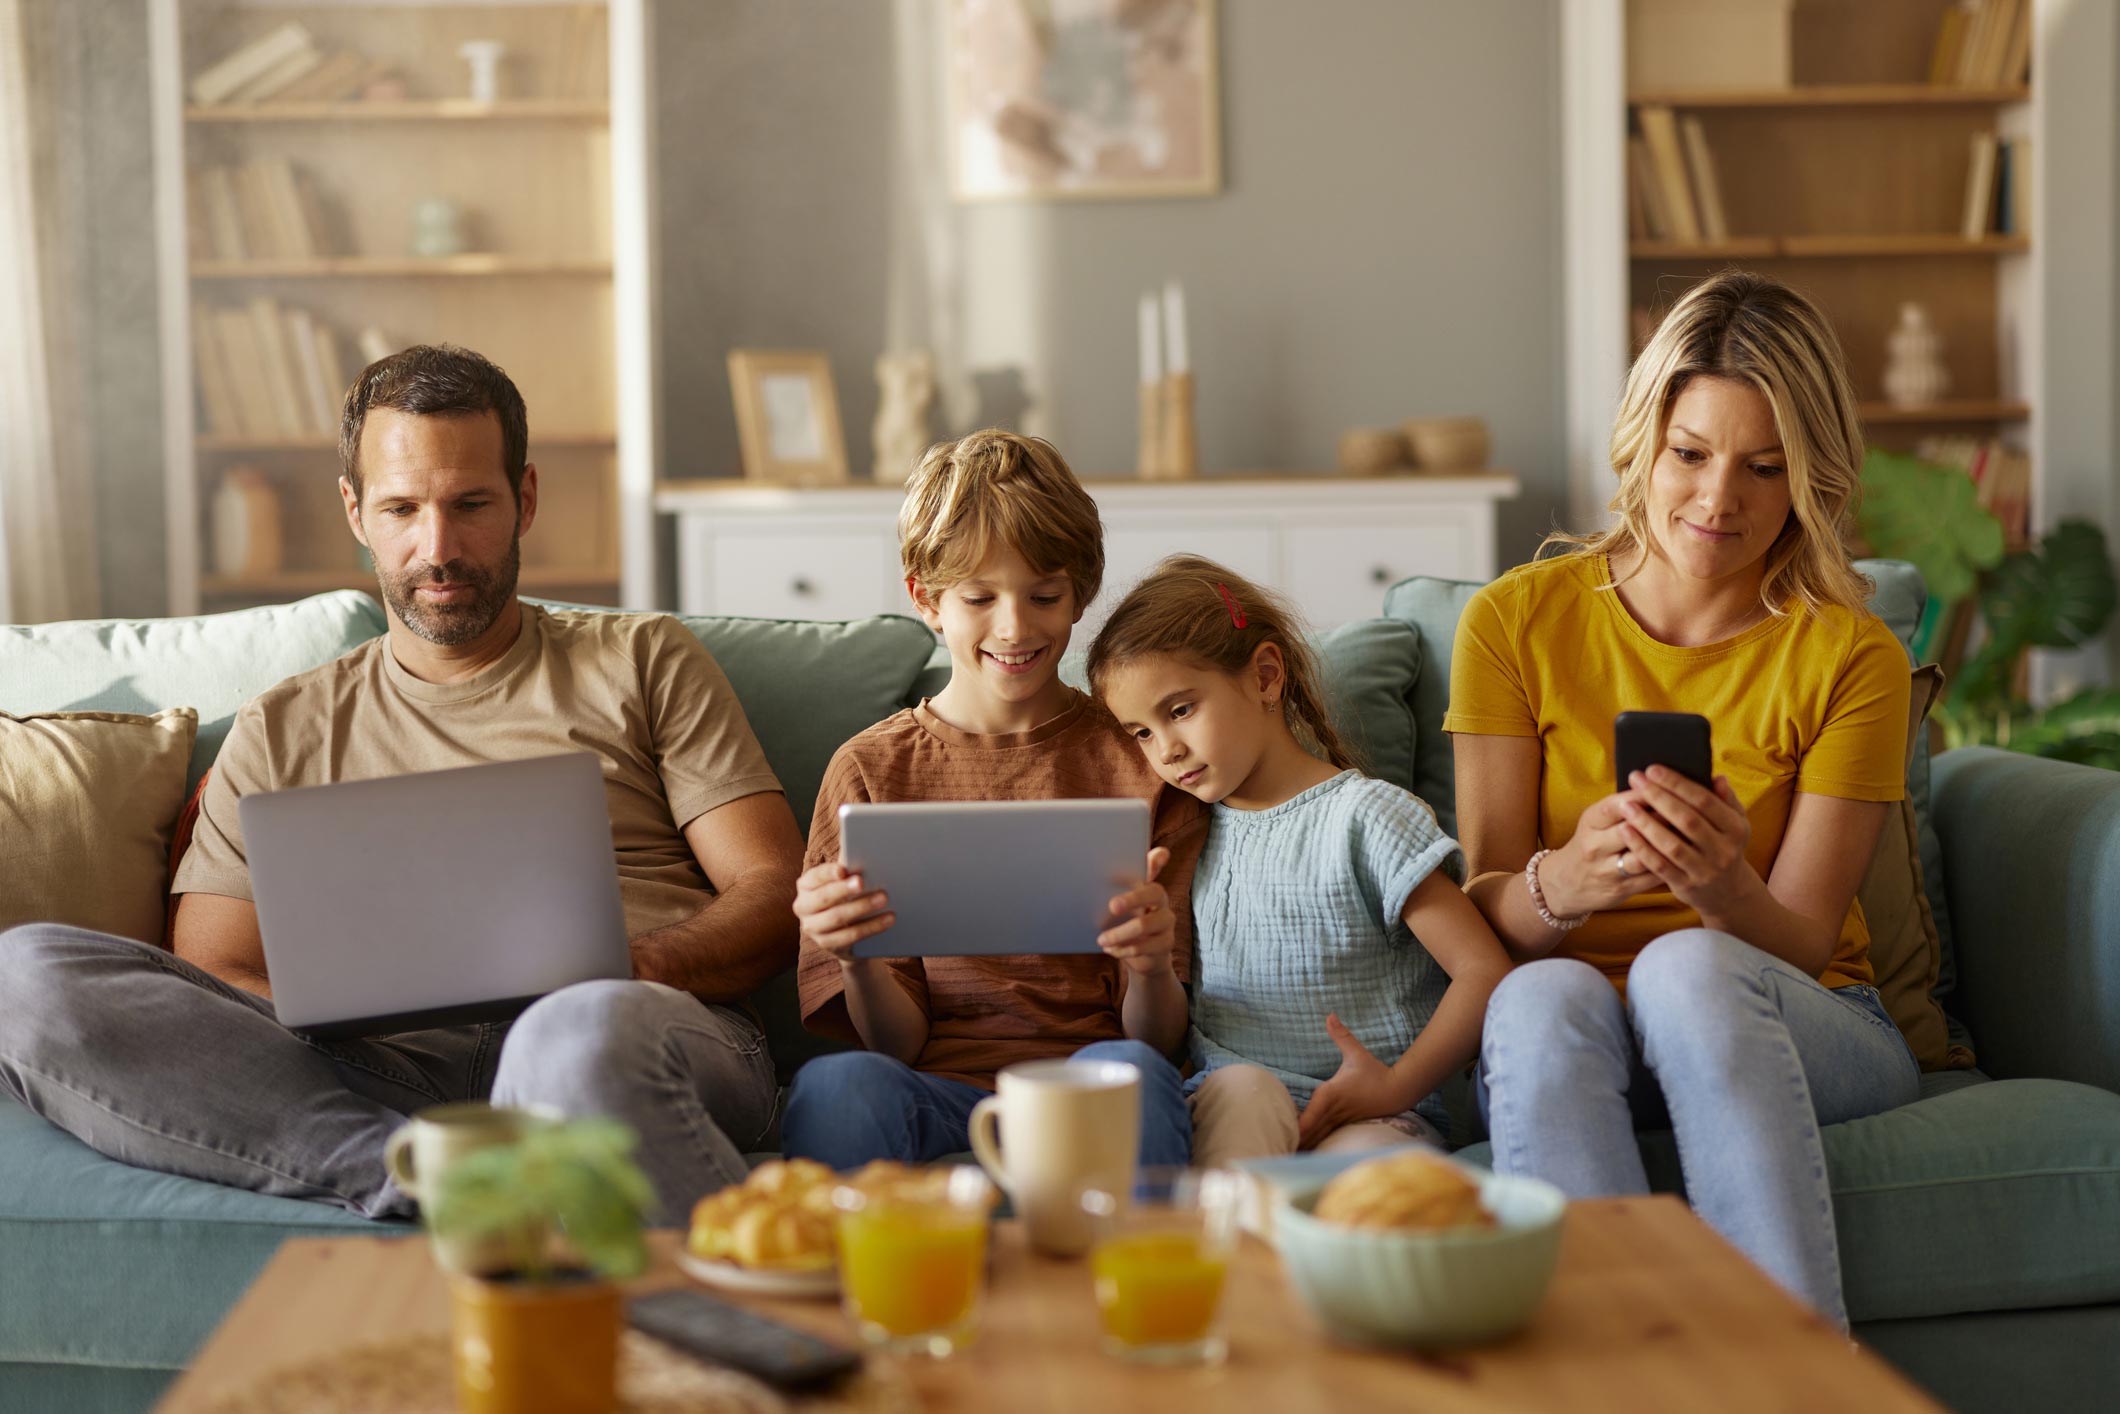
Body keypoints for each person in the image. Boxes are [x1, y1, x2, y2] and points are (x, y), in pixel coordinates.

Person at [0, 345, 804, 1224]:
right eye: (401, 509)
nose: (439, 548)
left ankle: (589, 1223)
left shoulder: (643, 659)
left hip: (629, 1034)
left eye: (471, 506)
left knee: (574, 1032)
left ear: (524, 500)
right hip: (386, 1075)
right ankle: (421, 1183)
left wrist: (639, 965)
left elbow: (772, 890)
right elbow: (216, 969)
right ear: (356, 511)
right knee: (23, 974)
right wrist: (347, 1006)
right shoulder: (285, 728)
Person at [1448, 271, 1918, 1328]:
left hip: (1796, 1018)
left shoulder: (1851, 655)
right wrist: (1559, 882)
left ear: (1809, 475)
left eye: (1764, 467)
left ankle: (1795, 1387)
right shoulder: (1513, 622)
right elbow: (1481, 904)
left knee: (1688, 965)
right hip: (1575, 1029)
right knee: (1531, 996)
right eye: (1690, 454)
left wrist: (1722, 887)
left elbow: (1798, 941)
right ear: (1642, 444)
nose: (1717, 502)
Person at [779, 430, 1205, 1168]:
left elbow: (1155, 1041)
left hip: (1093, 1079)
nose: (1015, 627)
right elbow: (895, 1046)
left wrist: (1148, 965)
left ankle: (1115, 1274)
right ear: (927, 599)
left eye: (1044, 595)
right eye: (980, 597)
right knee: (837, 1087)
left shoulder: (1141, 757)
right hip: (931, 1087)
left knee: (1138, 1078)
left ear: (1081, 595)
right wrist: (856, 958)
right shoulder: (871, 771)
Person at [1089, 557, 1511, 1167]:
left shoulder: (1367, 817)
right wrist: (1150, 967)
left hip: (1381, 1112)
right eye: (1141, 733)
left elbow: (1483, 971)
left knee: (1378, 1176)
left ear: (1264, 677)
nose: (1167, 750)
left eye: (1179, 710)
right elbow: (1157, 1042)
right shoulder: (1185, 838)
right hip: (1234, 1101)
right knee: (1241, 1090)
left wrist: (1394, 1087)